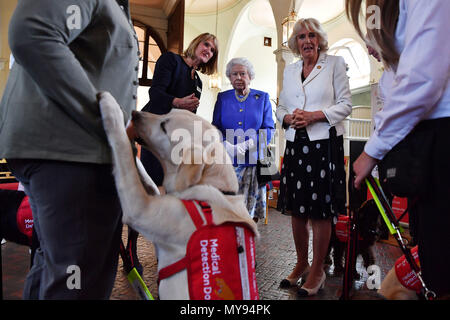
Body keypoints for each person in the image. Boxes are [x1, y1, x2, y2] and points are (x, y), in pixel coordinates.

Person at [0, 0, 139, 299]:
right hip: (75, 154)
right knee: (78, 284)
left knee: (55, 269)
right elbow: (32, 31)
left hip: (68, 152)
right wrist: (107, 124)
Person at [347, 0, 450, 298]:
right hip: (424, 154)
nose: (370, 47)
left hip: (440, 141)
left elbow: (423, 79)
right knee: (434, 264)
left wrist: (371, 152)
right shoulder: (390, 71)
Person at [126, 33, 219, 274]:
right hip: (153, 135)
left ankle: (169, 252)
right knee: (149, 192)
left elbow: (189, 114)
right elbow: (155, 95)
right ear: (196, 43)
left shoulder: (197, 81)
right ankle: (131, 246)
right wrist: (177, 102)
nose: (208, 50)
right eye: (206, 44)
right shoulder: (170, 60)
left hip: (176, 143)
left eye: (212, 50)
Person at [276, 18, 352, 296]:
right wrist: (287, 117)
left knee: (320, 211)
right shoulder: (291, 68)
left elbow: (345, 105)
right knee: (297, 209)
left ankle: (318, 270)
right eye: (300, 36)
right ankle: (301, 264)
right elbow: (281, 104)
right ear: (295, 43)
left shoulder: (334, 64)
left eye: (311, 35)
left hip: (324, 145)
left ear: (319, 39)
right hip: (296, 144)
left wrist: (314, 116)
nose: (306, 40)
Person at [212, 58, 275, 223]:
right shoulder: (223, 98)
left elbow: (269, 128)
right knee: (227, 208)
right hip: (228, 162)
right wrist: (225, 144)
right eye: (234, 74)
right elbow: (215, 127)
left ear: (250, 76)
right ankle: (230, 244)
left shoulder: (262, 98)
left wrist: (250, 143)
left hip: (254, 161)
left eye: (242, 73)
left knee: (251, 212)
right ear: (230, 77)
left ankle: (248, 243)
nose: (239, 77)